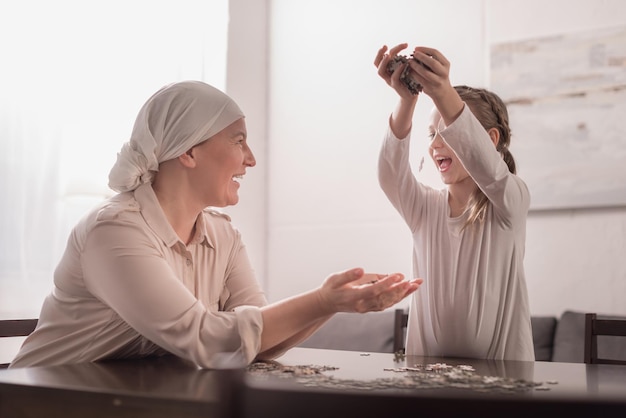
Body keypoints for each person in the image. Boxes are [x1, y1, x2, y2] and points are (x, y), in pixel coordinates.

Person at [10, 80, 421, 369]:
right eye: (238, 140)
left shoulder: (223, 235)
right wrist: (322, 301)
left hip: (122, 399)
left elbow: (256, 342)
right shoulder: (114, 231)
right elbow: (205, 337)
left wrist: (337, 303)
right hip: (38, 401)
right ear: (188, 152)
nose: (251, 159)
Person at [373, 44, 534, 361]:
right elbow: (390, 173)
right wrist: (407, 100)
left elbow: (484, 164)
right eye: (432, 133)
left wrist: (442, 90)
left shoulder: (510, 203)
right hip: (428, 387)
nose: (435, 145)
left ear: (489, 140)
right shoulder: (425, 209)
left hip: (504, 387)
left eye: (448, 132)